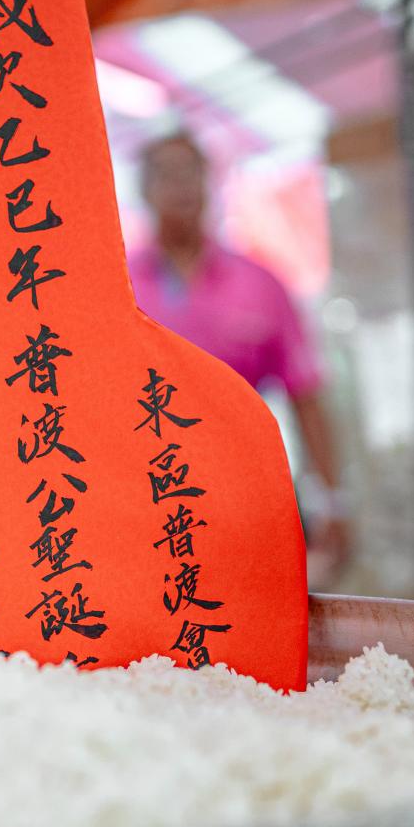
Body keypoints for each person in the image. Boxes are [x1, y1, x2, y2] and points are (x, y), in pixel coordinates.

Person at [129, 130, 351, 570]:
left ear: (210, 182)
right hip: (139, 499)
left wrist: (332, 500)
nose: (181, 186)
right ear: (144, 190)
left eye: (191, 171)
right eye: (165, 174)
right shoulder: (117, 287)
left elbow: (305, 396)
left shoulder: (260, 283)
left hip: (244, 501)